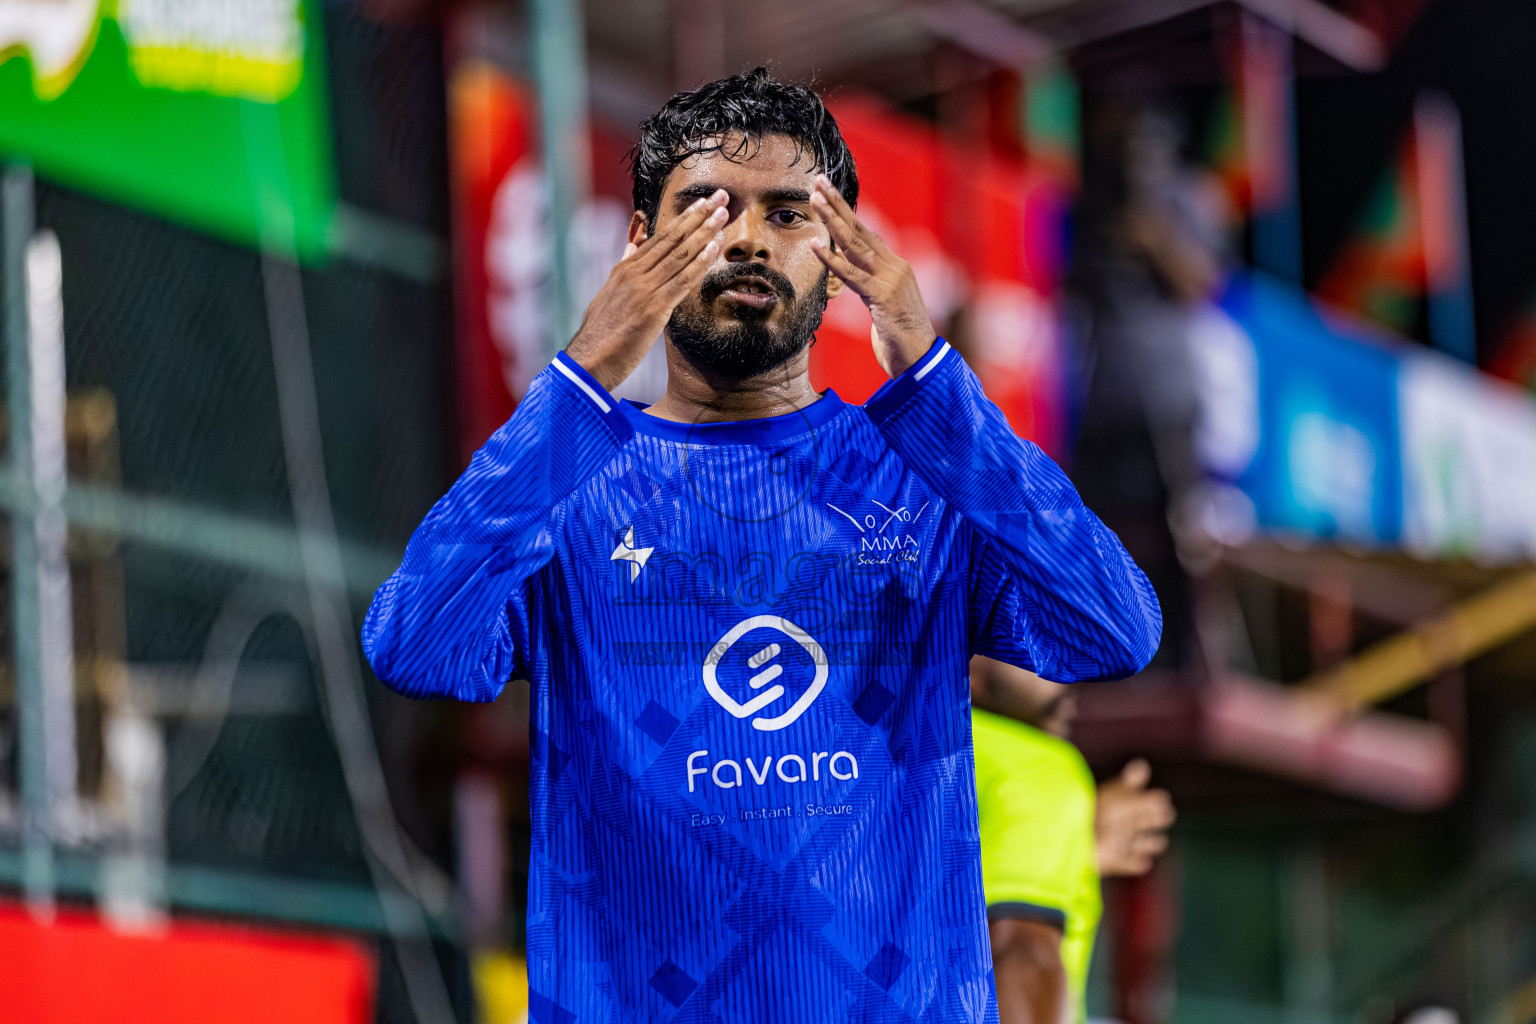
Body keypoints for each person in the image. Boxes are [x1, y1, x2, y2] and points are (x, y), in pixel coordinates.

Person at [363, 68, 1161, 1021]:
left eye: (788, 213)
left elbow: (1114, 628)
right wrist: (579, 380)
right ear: (638, 243)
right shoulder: (572, 486)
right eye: (706, 207)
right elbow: (414, 645)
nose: (747, 238)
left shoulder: (922, 476)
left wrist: (934, 382)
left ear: (840, 253)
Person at [971, 656, 1175, 1024]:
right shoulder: (1034, 769)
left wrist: (1074, 853)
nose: (1070, 666)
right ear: (969, 657)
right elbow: (1025, 957)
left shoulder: (881, 749)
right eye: (1026, 634)